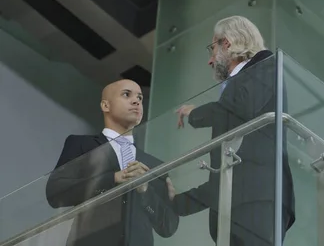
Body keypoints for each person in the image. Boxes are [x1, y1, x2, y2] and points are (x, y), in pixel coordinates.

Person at [174, 16, 296, 246]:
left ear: (227, 43)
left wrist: (195, 113)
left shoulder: (266, 63)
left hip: (258, 200)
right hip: (238, 203)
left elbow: (241, 108)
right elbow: (224, 174)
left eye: (212, 48)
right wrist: (177, 202)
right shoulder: (239, 90)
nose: (210, 61)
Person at [46, 79, 179, 246]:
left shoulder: (154, 164)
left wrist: (145, 191)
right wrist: (113, 178)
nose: (136, 101)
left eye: (140, 97)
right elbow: (55, 192)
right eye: (126, 94)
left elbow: (168, 226)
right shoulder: (80, 144)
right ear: (105, 106)